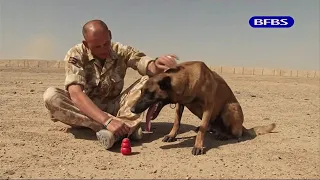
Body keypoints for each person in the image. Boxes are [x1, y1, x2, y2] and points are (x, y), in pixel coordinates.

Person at [43, 19, 178, 150]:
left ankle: (118, 130)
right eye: (97, 46)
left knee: (149, 81)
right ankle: (124, 129)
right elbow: (76, 94)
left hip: (116, 105)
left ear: (110, 35)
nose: (103, 49)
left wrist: (157, 64)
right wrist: (107, 121)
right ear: (86, 43)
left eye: (106, 43)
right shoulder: (76, 54)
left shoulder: (121, 50)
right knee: (52, 96)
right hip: (87, 109)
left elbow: (147, 66)